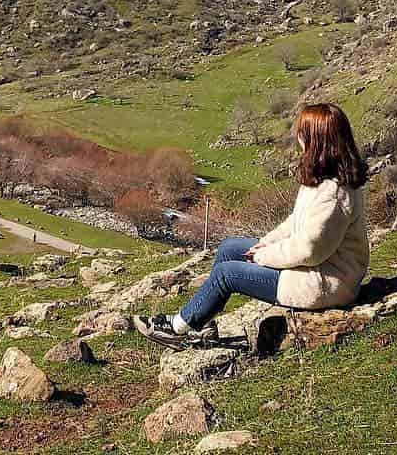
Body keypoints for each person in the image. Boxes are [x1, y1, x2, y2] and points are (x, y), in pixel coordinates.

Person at [134, 103, 369, 347]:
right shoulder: (324, 179)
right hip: (317, 270)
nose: (298, 138)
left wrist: (262, 257)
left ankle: (178, 328)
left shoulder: (332, 194)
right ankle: (200, 323)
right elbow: (295, 222)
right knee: (230, 247)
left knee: (227, 274)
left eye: (302, 132)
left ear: (316, 140)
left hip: (323, 283)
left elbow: (309, 251)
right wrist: (265, 243)